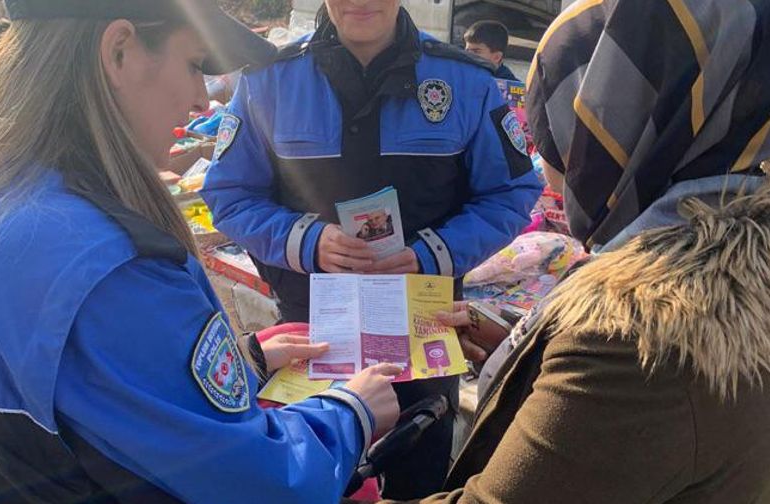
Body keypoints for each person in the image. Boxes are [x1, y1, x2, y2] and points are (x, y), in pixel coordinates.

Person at [0, 1, 404, 503]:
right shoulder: (103, 259)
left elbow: (85, 389)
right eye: (194, 64)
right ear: (120, 51)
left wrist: (242, 361)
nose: (200, 100)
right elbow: (261, 484)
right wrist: (351, 411)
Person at [371, 0, 770, 502]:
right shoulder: (737, 266)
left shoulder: (641, 333)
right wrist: (529, 355)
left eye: (560, 134)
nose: (553, 170)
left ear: (617, 132)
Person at [201, 0, 542, 498]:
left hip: (424, 334)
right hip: (311, 336)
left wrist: (435, 252)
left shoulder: (465, 81)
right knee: (317, 480)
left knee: (418, 481)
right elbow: (229, 195)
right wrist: (306, 240)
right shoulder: (268, 81)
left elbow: (512, 194)